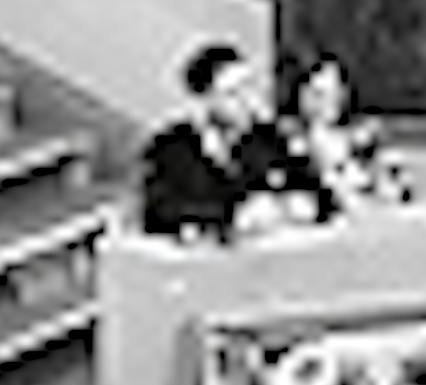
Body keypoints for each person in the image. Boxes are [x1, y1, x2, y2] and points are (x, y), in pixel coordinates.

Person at [139, 41, 328, 240]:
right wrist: (232, 215)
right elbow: (159, 213)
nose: (247, 101)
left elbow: (318, 191)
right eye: (233, 94)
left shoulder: (269, 140)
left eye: (250, 88)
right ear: (206, 100)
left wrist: (298, 203)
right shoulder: (171, 149)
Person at [281, 50, 410, 216]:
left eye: (336, 92)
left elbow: (398, 186)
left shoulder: (366, 137)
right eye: (318, 94)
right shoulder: (292, 145)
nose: (329, 102)